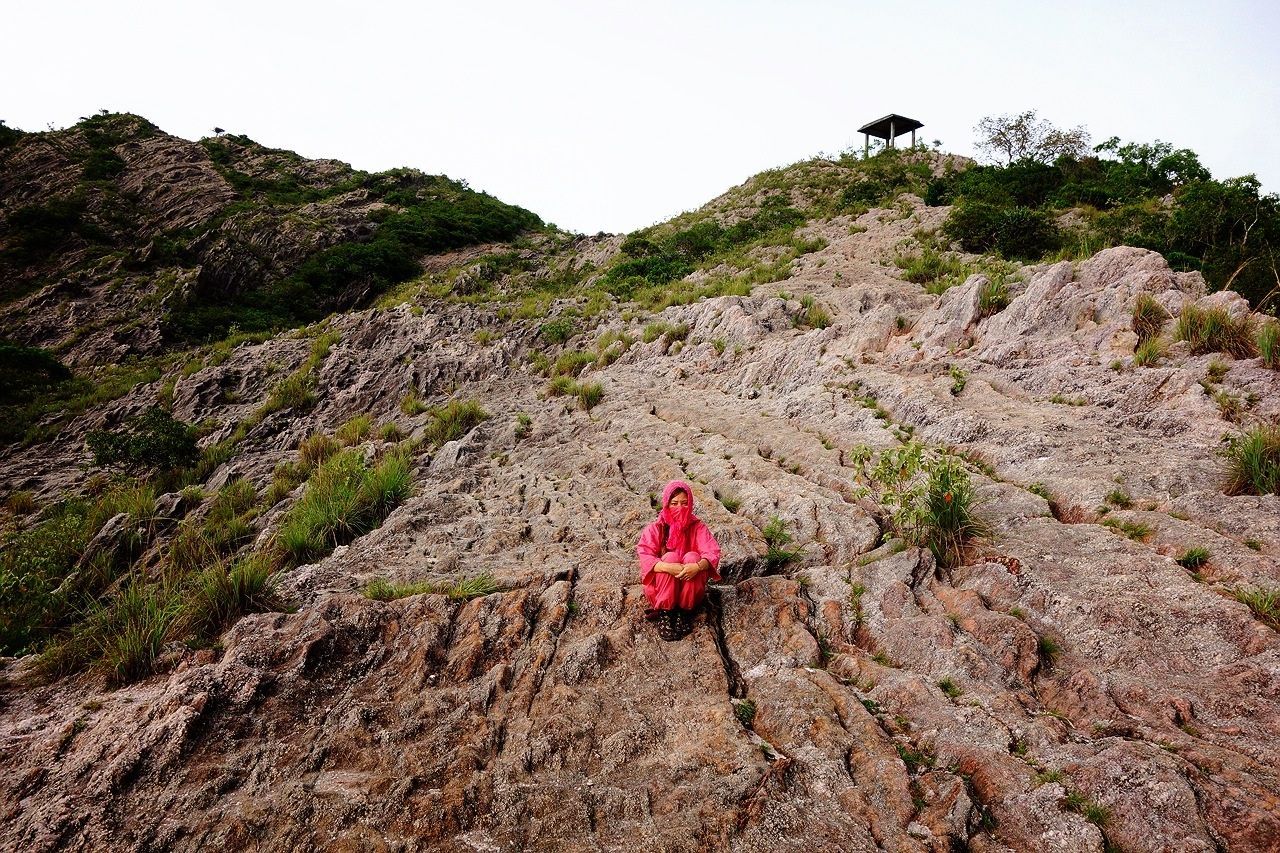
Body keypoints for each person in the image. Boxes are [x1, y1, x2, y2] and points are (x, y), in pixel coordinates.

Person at [636, 479, 721, 641]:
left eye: (684, 503)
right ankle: (666, 612)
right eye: (674, 503)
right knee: (670, 557)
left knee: (692, 557)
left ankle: (685, 611)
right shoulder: (656, 528)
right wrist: (666, 567)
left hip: (689, 589)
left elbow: (712, 551)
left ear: (691, 503)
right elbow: (645, 554)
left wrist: (697, 566)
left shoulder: (697, 527)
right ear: (666, 504)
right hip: (661, 588)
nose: (680, 508)